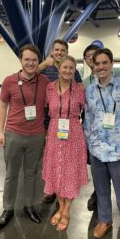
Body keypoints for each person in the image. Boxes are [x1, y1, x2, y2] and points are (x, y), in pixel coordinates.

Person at [84, 48, 120, 239]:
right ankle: (105, 220)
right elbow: (88, 120)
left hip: (119, 152)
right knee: (101, 189)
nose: (100, 67)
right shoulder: (90, 90)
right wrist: (90, 144)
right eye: (97, 63)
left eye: (104, 63)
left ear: (111, 64)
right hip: (97, 150)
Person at [0, 44, 49, 232]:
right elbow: (2, 106)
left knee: (31, 173)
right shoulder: (9, 81)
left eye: (34, 60)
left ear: (38, 62)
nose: (30, 63)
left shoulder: (44, 82)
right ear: (20, 60)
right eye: (27, 59)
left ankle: (28, 206)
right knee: (11, 174)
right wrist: (0, 132)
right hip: (13, 135)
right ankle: (7, 209)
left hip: (36, 136)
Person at [42, 55, 87, 231]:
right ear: (59, 69)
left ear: (75, 70)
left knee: (70, 173)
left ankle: (66, 212)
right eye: (65, 67)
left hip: (74, 134)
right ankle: (61, 208)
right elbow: (46, 111)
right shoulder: (50, 89)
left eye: (71, 68)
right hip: (54, 133)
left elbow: (87, 113)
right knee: (57, 172)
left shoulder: (80, 90)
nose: (68, 71)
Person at [38, 39, 82, 204]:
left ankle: (64, 190)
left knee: (67, 159)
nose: (59, 53)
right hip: (49, 120)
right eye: (56, 50)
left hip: (68, 122)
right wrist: (43, 64)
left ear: (66, 51)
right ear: (52, 51)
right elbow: (30, 76)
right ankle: (53, 189)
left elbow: (78, 90)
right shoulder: (45, 68)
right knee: (52, 158)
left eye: (62, 50)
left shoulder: (72, 70)